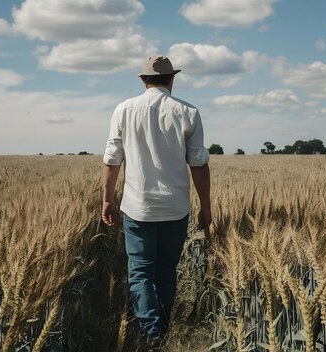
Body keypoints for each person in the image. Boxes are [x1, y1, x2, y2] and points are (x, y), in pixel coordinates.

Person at [101, 55, 211, 345]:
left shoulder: (123, 110)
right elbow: (198, 163)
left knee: (140, 272)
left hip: (138, 208)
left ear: (142, 80)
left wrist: (107, 200)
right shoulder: (188, 112)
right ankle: (161, 325)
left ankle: (153, 333)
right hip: (176, 208)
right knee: (165, 272)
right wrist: (206, 206)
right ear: (171, 79)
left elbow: (112, 160)